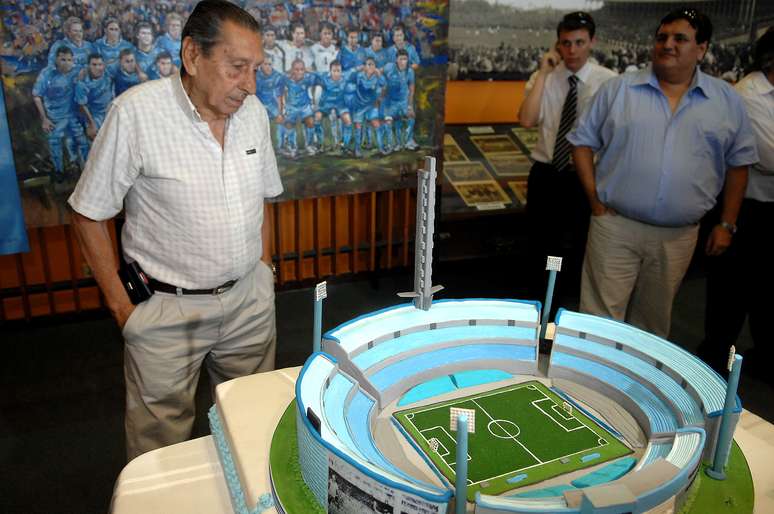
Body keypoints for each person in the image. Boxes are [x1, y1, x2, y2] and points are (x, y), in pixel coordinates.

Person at [68, 0, 282, 460]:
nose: (250, 84)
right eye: (237, 67)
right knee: (159, 447)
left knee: (252, 422)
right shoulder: (137, 114)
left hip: (249, 302)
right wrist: (124, 310)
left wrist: (263, 272)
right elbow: (88, 213)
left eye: (256, 69)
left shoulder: (254, 114)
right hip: (166, 311)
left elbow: (263, 196)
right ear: (192, 56)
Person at [568, 8, 758, 338]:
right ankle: (586, 388)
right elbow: (581, 143)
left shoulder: (726, 100)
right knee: (598, 322)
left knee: (652, 327)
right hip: (615, 227)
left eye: (680, 38)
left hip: (678, 236)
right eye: (662, 37)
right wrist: (595, 201)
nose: (667, 44)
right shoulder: (619, 90)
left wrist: (726, 223)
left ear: (701, 48)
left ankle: (636, 389)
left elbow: (738, 165)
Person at [518, 12, 616, 302]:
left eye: (579, 43)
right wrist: (545, 73)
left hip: (585, 177)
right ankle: (541, 304)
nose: (572, 50)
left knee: (577, 246)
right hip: (547, 174)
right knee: (542, 246)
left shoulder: (609, 82)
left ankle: (567, 307)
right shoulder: (544, 77)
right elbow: (526, 119)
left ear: (592, 42)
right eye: (565, 43)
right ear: (557, 44)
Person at [698, 28, 774, 377]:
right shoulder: (748, 93)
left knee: (766, 294)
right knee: (730, 298)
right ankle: (712, 368)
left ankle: (761, 359)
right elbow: (768, 157)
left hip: (768, 211)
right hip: (745, 209)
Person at [33, 46, 89, 181]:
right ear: (56, 59)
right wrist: (44, 119)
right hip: (55, 117)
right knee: (55, 143)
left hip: (73, 115)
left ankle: (87, 169)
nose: (66, 62)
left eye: (69, 59)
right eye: (63, 59)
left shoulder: (77, 70)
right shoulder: (46, 74)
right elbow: (36, 96)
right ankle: (59, 172)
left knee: (82, 141)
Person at [382, 49, 417, 152]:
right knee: (389, 122)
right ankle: (391, 144)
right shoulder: (389, 67)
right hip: (390, 102)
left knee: (411, 119)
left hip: (403, 102)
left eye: (405, 59)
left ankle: (407, 142)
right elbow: (379, 74)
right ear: (396, 59)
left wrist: (410, 106)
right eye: (401, 59)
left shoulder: (410, 71)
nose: (403, 62)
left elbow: (411, 89)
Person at [282, 58, 318, 157]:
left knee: (310, 121)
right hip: (291, 106)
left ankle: (310, 145)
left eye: (302, 69)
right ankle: (292, 147)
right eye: (297, 69)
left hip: (304, 106)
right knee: (289, 124)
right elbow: (279, 80)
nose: (299, 72)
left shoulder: (307, 78)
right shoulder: (287, 79)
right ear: (292, 70)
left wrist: (310, 71)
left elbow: (318, 77)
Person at [75, 53, 114, 139]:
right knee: (96, 136)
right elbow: (82, 105)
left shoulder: (107, 72)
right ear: (88, 66)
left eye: (100, 65)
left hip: (111, 110)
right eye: (94, 65)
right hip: (95, 115)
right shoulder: (82, 84)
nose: (97, 68)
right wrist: (91, 124)